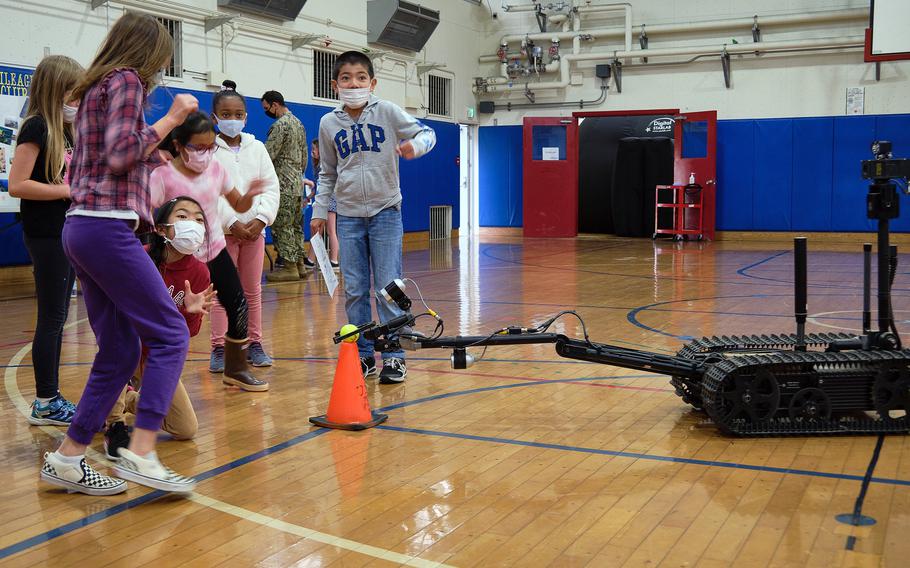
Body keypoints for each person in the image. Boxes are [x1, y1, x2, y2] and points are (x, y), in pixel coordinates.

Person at [40, 12, 199, 495]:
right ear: (149, 51)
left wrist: (155, 151)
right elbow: (118, 153)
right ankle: (142, 450)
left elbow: (108, 156)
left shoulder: (92, 89)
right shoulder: (127, 79)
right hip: (107, 228)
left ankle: (67, 459)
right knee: (170, 332)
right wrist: (170, 120)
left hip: (80, 228)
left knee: (121, 349)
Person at [311, 51, 436, 385]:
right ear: (335, 84)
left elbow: (427, 133)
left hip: (386, 212)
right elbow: (327, 173)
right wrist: (319, 211)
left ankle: (394, 356)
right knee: (354, 289)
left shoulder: (387, 112)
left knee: (389, 287)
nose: (354, 84)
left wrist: (415, 148)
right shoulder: (328, 123)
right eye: (347, 78)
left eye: (361, 78)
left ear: (372, 82)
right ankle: (363, 354)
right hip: (349, 216)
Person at [149, 111, 268, 391]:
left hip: (214, 251)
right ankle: (144, 372)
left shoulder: (215, 169)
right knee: (160, 313)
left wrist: (250, 195)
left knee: (238, 305)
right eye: (197, 147)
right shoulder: (162, 176)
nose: (205, 153)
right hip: (175, 259)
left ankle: (236, 368)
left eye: (210, 146)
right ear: (178, 145)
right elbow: (149, 216)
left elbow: (237, 204)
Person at [104, 196, 216, 459]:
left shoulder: (200, 273)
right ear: (162, 229)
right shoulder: (140, 260)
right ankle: (114, 424)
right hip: (127, 347)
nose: (193, 224)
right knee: (120, 353)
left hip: (157, 357)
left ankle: (127, 399)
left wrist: (188, 314)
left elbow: (188, 334)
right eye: (183, 216)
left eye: (199, 219)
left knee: (185, 428)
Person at [8, 55, 83, 426]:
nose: (79, 100)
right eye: (74, 92)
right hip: (46, 233)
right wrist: (67, 190)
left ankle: (50, 398)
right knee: (52, 318)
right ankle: (46, 401)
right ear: (57, 90)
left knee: (58, 315)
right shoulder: (36, 127)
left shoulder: (67, 132)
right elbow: (18, 184)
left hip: (66, 231)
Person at [210, 83, 279, 369]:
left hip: (255, 232)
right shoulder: (207, 150)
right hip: (221, 235)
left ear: (246, 117)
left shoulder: (258, 148)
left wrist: (261, 218)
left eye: (238, 114)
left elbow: (270, 188)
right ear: (215, 117)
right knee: (220, 293)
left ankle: (254, 343)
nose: (232, 119)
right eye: (226, 114)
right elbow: (209, 191)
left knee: (252, 291)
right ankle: (218, 347)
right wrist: (231, 221)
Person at [261, 90, 311, 282]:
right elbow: (305, 156)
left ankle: (289, 267)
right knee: (296, 226)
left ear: (275, 105)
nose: (267, 112)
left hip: (282, 184)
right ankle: (299, 264)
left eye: (267, 108)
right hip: (297, 183)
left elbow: (267, 155)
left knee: (282, 225)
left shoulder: (280, 125)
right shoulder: (299, 123)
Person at [303, 138, 339, 272]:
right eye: (311, 149)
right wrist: (308, 197)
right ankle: (311, 260)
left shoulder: (325, 166)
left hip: (329, 200)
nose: (311, 152)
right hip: (321, 201)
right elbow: (318, 187)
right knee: (316, 231)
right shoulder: (317, 166)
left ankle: (334, 261)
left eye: (314, 149)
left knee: (331, 231)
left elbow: (328, 185)